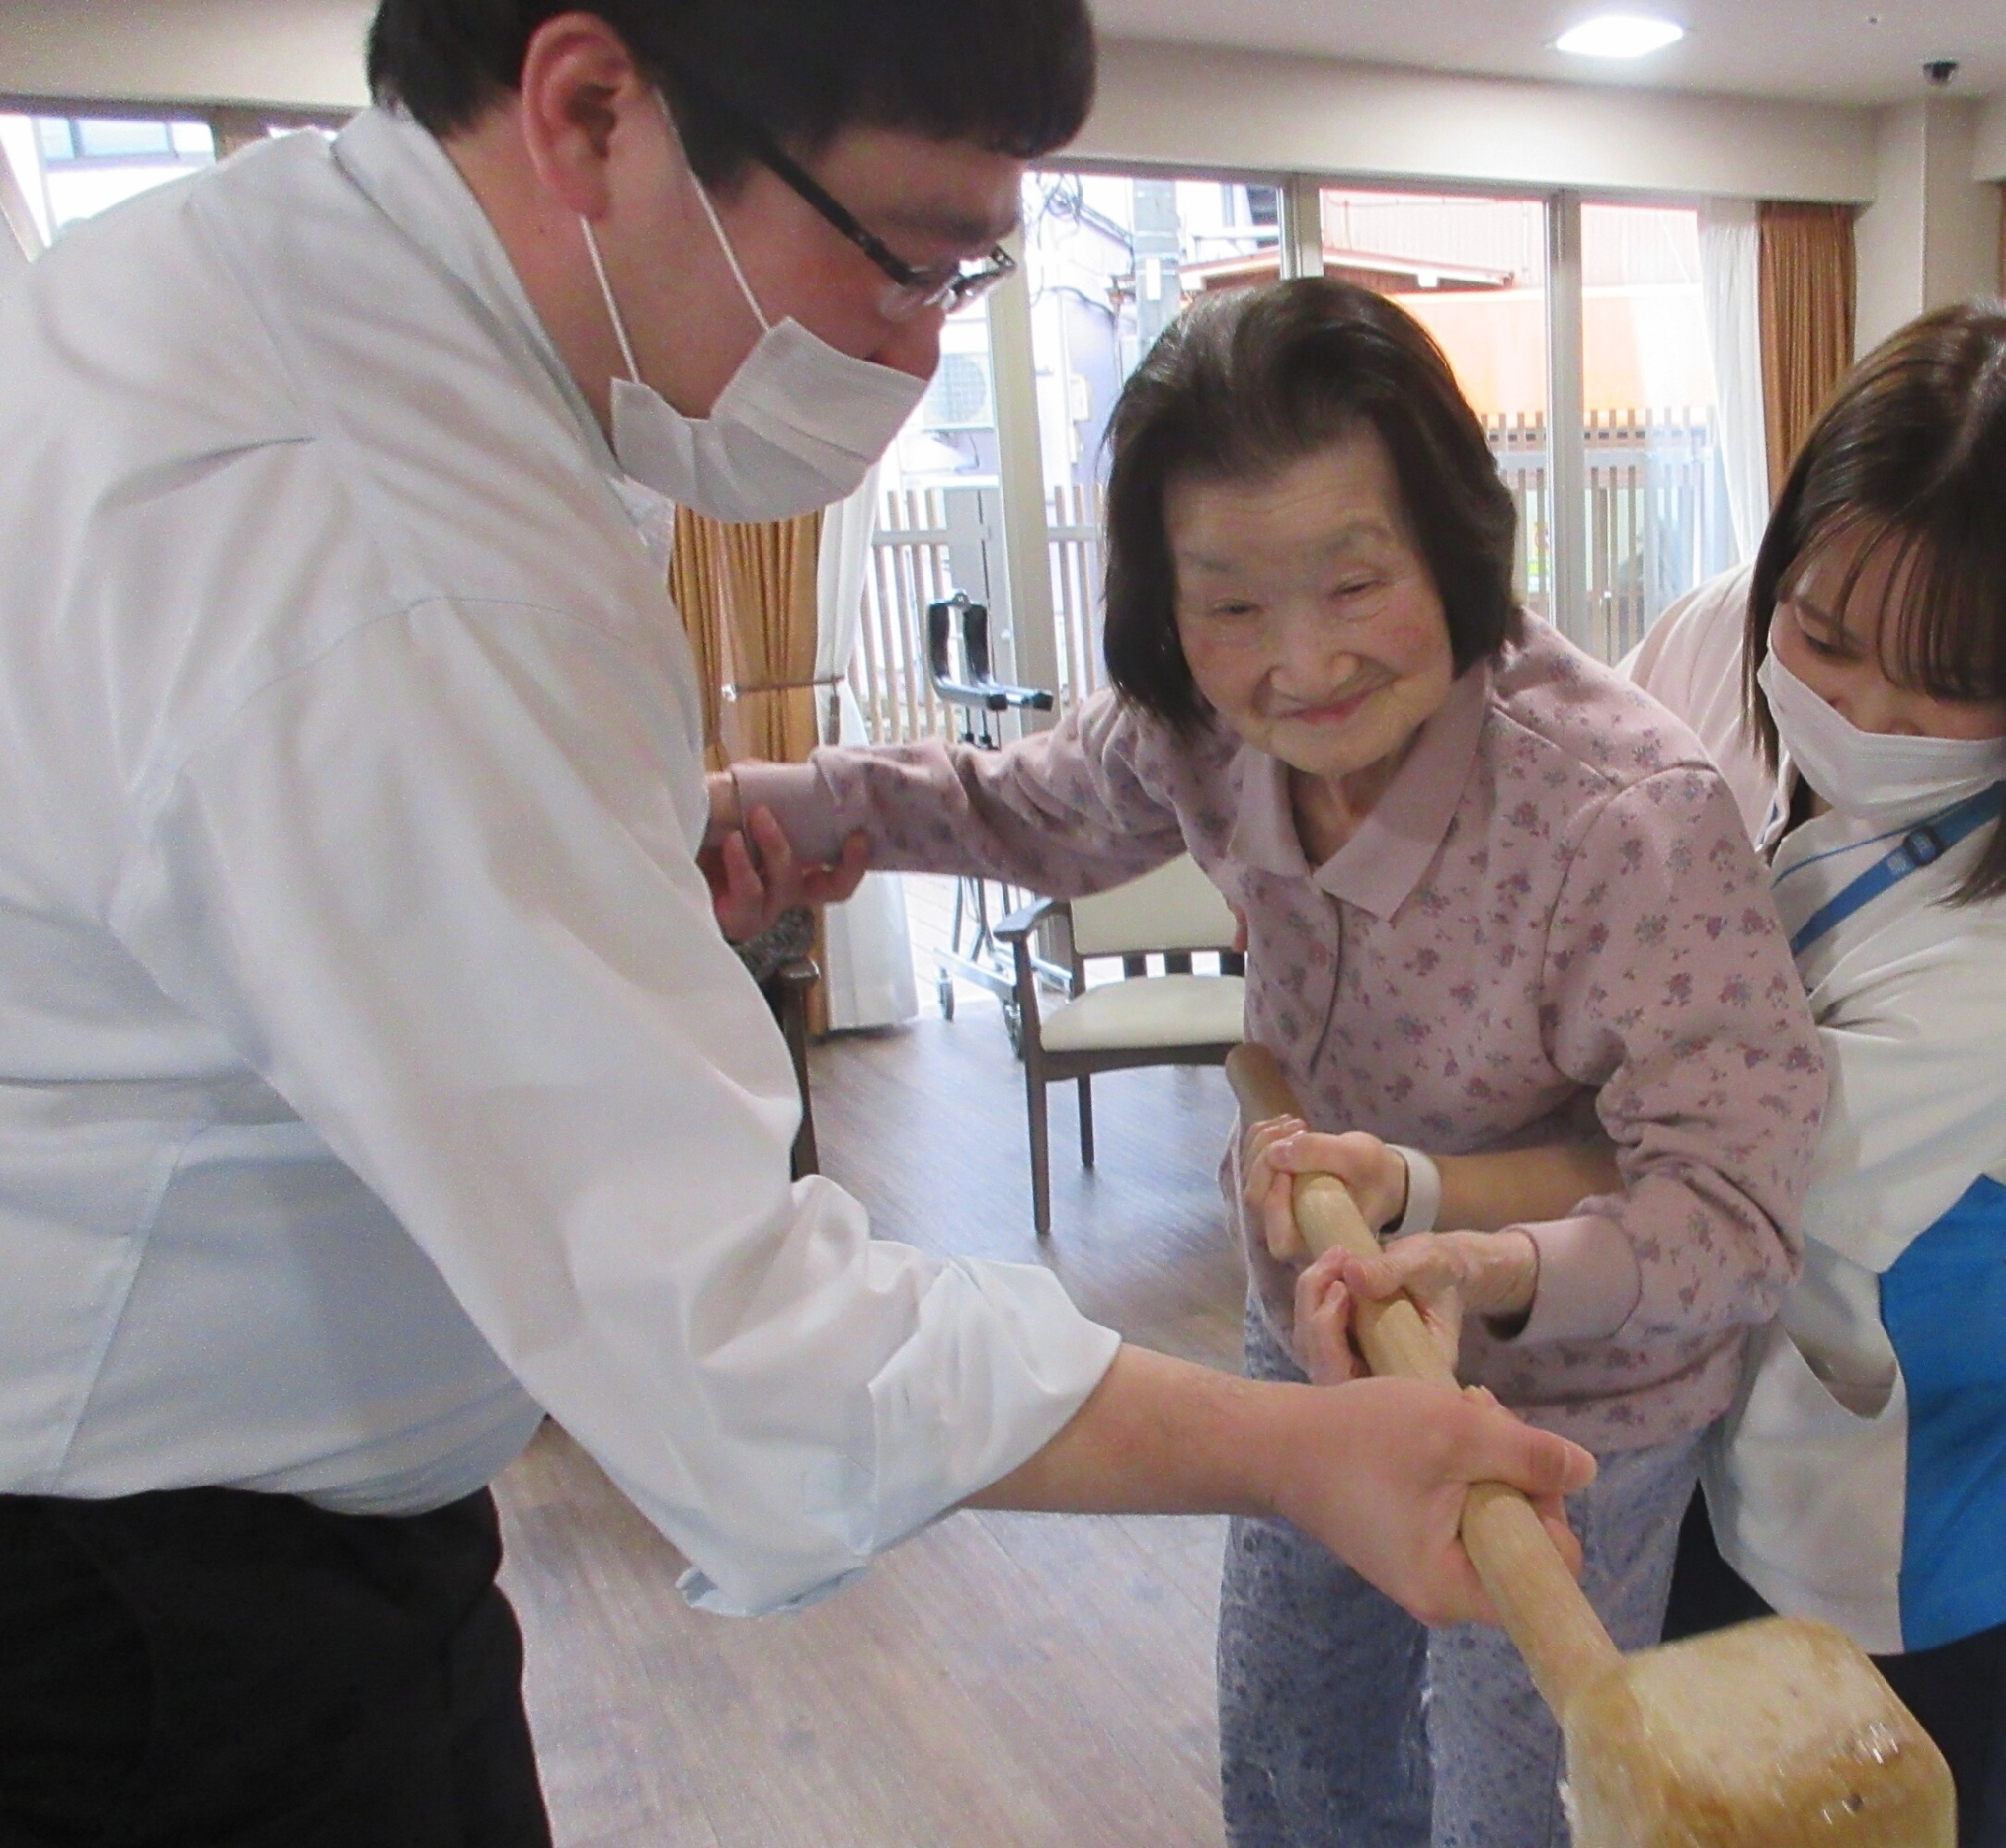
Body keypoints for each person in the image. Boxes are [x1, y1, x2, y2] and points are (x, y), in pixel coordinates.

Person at [0, 7, 1599, 1841]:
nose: (920, 346)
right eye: (903, 259)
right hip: (150, 1606)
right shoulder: (379, 543)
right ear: (594, 108)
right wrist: (1295, 1457)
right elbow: (731, 1327)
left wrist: (591, 867)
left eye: (971, 274)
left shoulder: (304, 310)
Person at [710, 276, 1826, 1848]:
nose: (1297, 663)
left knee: (1527, 1793)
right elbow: (1015, 805)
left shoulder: (1627, 814)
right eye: (1231, 603)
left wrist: (1485, 1261)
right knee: (1296, 1747)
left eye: (1354, 581)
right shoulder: (1196, 729)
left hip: (1577, 1389)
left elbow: (1736, 1210)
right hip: (1321, 1307)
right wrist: (765, 809)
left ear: (1453, 546)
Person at [1391, 303, 2006, 1848]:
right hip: (1720, 1406)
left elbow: (1728, 1155)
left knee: (1898, 1805)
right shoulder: (1727, 628)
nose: (1860, 707)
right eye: (1824, 636)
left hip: (1912, 1466)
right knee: (1714, 1782)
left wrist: (1441, 1192)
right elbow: (1572, 789)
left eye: (1948, 679)